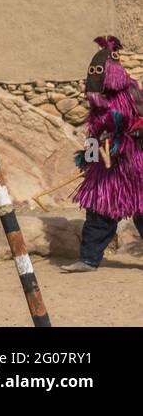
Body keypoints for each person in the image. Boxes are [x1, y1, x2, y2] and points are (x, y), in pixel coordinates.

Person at [61, 36, 143, 273]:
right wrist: (90, 155)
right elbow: (96, 132)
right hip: (107, 172)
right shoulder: (100, 102)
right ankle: (88, 260)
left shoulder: (134, 94)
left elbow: (138, 127)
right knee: (99, 211)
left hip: (134, 169)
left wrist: (122, 142)